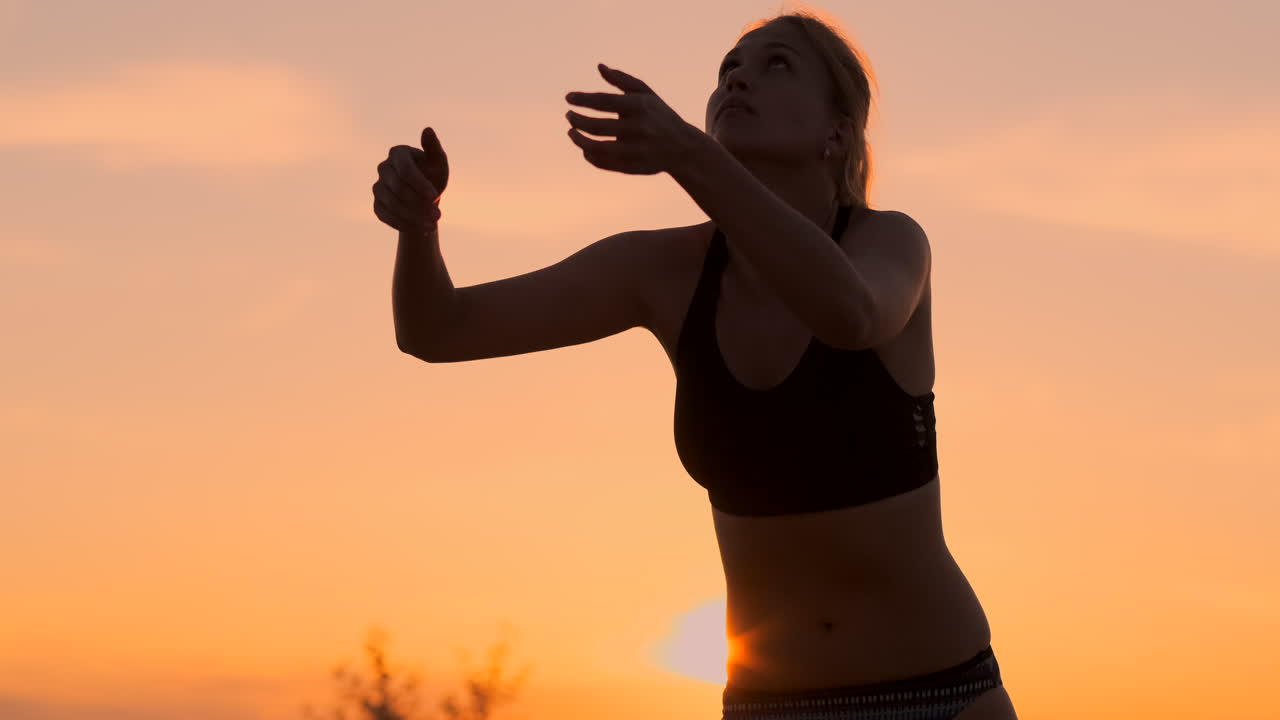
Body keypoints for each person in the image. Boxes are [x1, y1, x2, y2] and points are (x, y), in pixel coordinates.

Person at [374, 8, 1019, 720]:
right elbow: (438, 330)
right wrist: (418, 225)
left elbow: (851, 314)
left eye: (776, 64)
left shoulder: (889, 244)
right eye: (727, 70)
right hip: (770, 706)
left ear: (838, 135)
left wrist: (688, 155)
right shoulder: (664, 271)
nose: (738, 77)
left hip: (943, 697)